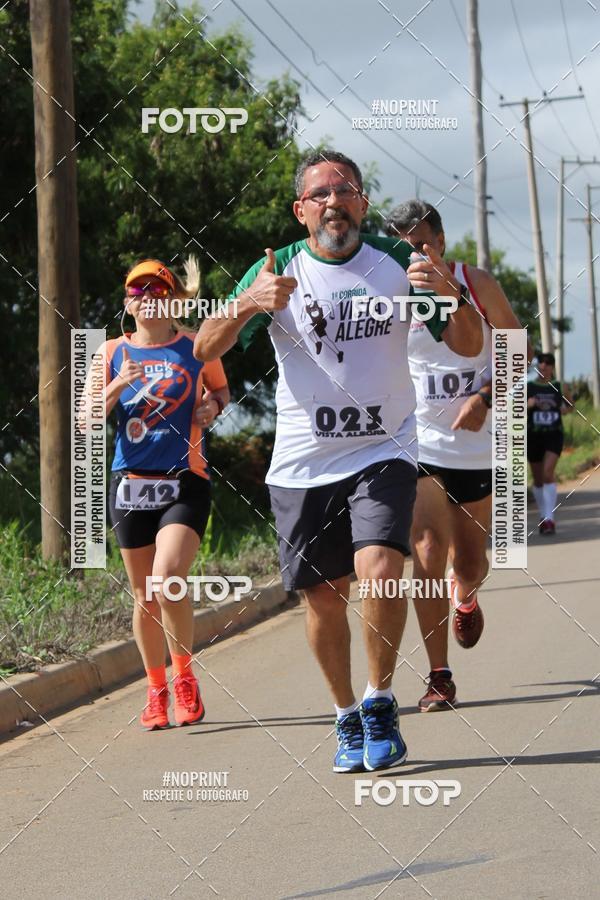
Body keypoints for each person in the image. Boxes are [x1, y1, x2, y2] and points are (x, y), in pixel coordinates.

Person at [194, 149, 483, 772]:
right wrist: (248, 303)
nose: (334, 202)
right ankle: (345, 714)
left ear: (363, 203)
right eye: (320, 194)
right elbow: (202, 346)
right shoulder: (274, 271)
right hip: (303, 461)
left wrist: (452, 295)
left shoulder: (398, 266)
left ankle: (380, 701)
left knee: (381, 567)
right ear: (301, 211)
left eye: (345, 191)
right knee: (324, 597)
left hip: (385, 447)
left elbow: (469, 346)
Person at [385, 199, 529, 712]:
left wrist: (486, 397)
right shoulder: (392, 290)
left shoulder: (477, 282)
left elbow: (519, 350)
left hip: (480, 442)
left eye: (422, 243)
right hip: (419, 441)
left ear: (441, 244)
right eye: (404, 247)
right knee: (425, 547)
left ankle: (464, 595)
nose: (415, 255)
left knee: (470, 560)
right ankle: (438, 676)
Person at [99, 258, 229, 730]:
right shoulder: (112, 351)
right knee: (144, 597)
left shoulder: (198, 346)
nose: (147, 297)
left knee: (168, 578)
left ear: (175, 299)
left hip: (185, 480)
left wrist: (212, 406)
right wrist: (119, 382)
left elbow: (220, 392)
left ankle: (185, 677)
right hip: (130, 483)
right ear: (127, 302)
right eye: (138, 291)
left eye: (158, 289)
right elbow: (86, 418)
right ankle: (155, 690)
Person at [527, 352, 573, 535]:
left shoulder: (559, 386)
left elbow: (570, 405)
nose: (543, 367)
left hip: (554, 435)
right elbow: (513, 409)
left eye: (547, 364)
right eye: (540, 364)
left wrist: (565, 409)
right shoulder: (529, 387)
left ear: (552, 367)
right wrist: (527, 405)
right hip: (533, 435)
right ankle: (543, 514)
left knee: (548, 473)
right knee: (538, 480)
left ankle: (549, 519)